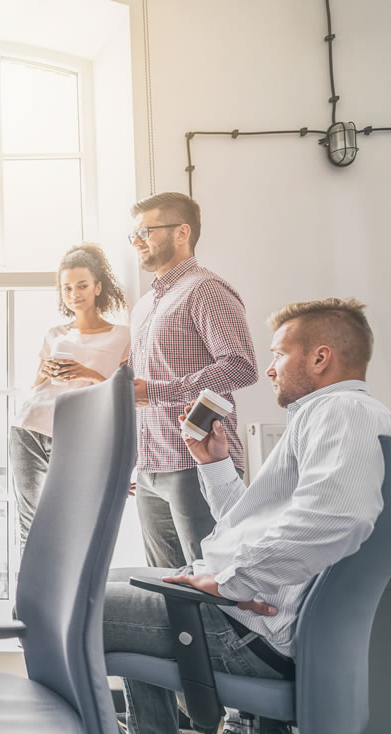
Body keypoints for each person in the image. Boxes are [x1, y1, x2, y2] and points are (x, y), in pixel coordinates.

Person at [107, 298, 391, 734]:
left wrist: (230, 581)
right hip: (246, 615)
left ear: (320, 357)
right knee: (115, 580)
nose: (268, 368)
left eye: (280, 353)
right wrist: (214, 462)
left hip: (245, 629)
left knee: (76, 609)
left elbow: (339, 517)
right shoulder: (329, 415)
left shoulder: (343, 412)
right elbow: (250, 526)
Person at [128, 192, 258, 571]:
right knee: (165, 586)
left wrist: (157, 392)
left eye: (144, 231)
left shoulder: (206, 290)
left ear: (181, 232)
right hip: (150, 472)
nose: (136, 241)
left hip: (197, 465)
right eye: (133, 235)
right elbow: (138, 394)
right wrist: (135, 462)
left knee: (213, 582)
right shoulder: (142, 307)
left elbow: (241, 366)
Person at [11, 243, 129, 552]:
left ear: (97, 287)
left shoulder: (122, 335)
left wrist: (85, 371)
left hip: (79, 433)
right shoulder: (55, 333)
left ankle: (68, 598)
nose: (74, 294)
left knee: (76, 523)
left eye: (82, 286)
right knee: (32, 524)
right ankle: (30, 601)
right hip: (31, 427)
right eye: (67, 288)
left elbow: (124, 393)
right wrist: (49, 370)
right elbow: (37, 384)